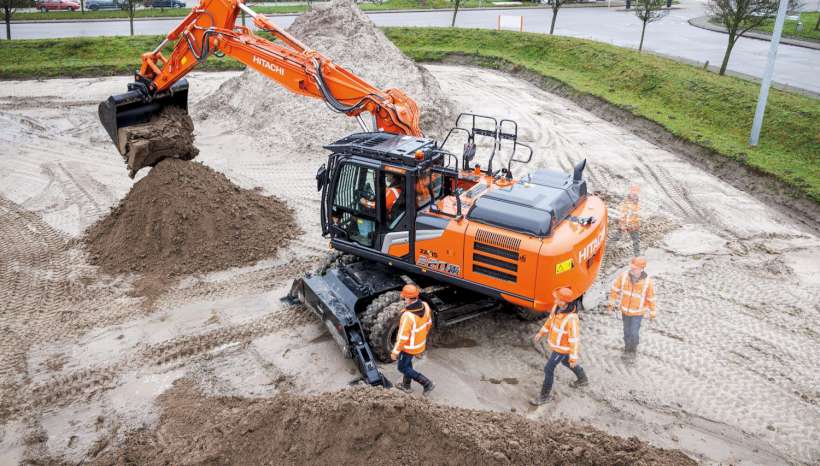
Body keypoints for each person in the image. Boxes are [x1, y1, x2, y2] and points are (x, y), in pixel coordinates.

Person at [530, 287, 589, 406]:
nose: (555, 299)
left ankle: (544, 397)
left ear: (564, 302)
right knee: (566, 362)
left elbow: (574, 339)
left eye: (557, 298)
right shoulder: (556, 308)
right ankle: (583, 379)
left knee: (548, 369)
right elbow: (550, 322)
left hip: (561, 349)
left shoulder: (571, 319)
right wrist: (541, 332)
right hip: (558, 346)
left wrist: (573, 357)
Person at [608, 256, 656, 360]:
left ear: (641, 269)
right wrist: (611, 304)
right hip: (625, 311)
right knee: (626, 332)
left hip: (637, 313)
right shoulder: (624, 276)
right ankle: (626, 348)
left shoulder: (648, 282)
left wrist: (652, 312)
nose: (632, 269)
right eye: (632, 267)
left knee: (634, 333)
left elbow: (651, 298)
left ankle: (632, 349)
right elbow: (615, 289)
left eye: (635, 268)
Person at [391, 284, 435, 395]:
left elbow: (402, 337)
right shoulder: (425, 305)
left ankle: (427, 383)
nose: (404, 299)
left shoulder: (408, 316)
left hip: (408, 348)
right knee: (407, 364)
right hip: (419, 344)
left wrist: (395, 352)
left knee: (402, 368)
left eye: (404, 297)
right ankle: (406, 385)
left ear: (408, 299)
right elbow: (429, 324)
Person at [613, 184, 641, 257]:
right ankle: (609, 248)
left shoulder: (638, 204)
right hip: (624, 224)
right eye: (633, 193)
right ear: (630, 193)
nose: (634, 194)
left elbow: (638, 215)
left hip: (633, 226)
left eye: (635, 193)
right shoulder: (625, 203)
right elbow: (621, 214)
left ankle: (637, 255)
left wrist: (635, 224)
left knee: (636, 241)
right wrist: (622, 225)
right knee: (616, 237)